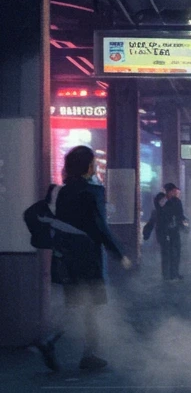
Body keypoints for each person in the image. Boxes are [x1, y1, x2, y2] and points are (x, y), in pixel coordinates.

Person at [50, 144, 132, 371]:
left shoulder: (64, 191)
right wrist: (118, 253)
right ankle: (89, 354)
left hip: (67, 256)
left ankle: (51, 341)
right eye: (93, 162)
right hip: (88, 256)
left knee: (76, 306)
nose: (95, 165)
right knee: (91, 308)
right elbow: (99, 226)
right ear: (87, 165)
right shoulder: (92, 191)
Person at [160, 182, 187, 279]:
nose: (175, 192)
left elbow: (180, 214)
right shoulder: (163, 201)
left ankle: (175, 272)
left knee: (176, 252)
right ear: (168, 191)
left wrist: (184, 224)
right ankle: (167, 274)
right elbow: (160, 214)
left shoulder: (177, 201)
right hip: (165, 231)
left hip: (175, 230)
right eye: (173, 191)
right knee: (168, 253)